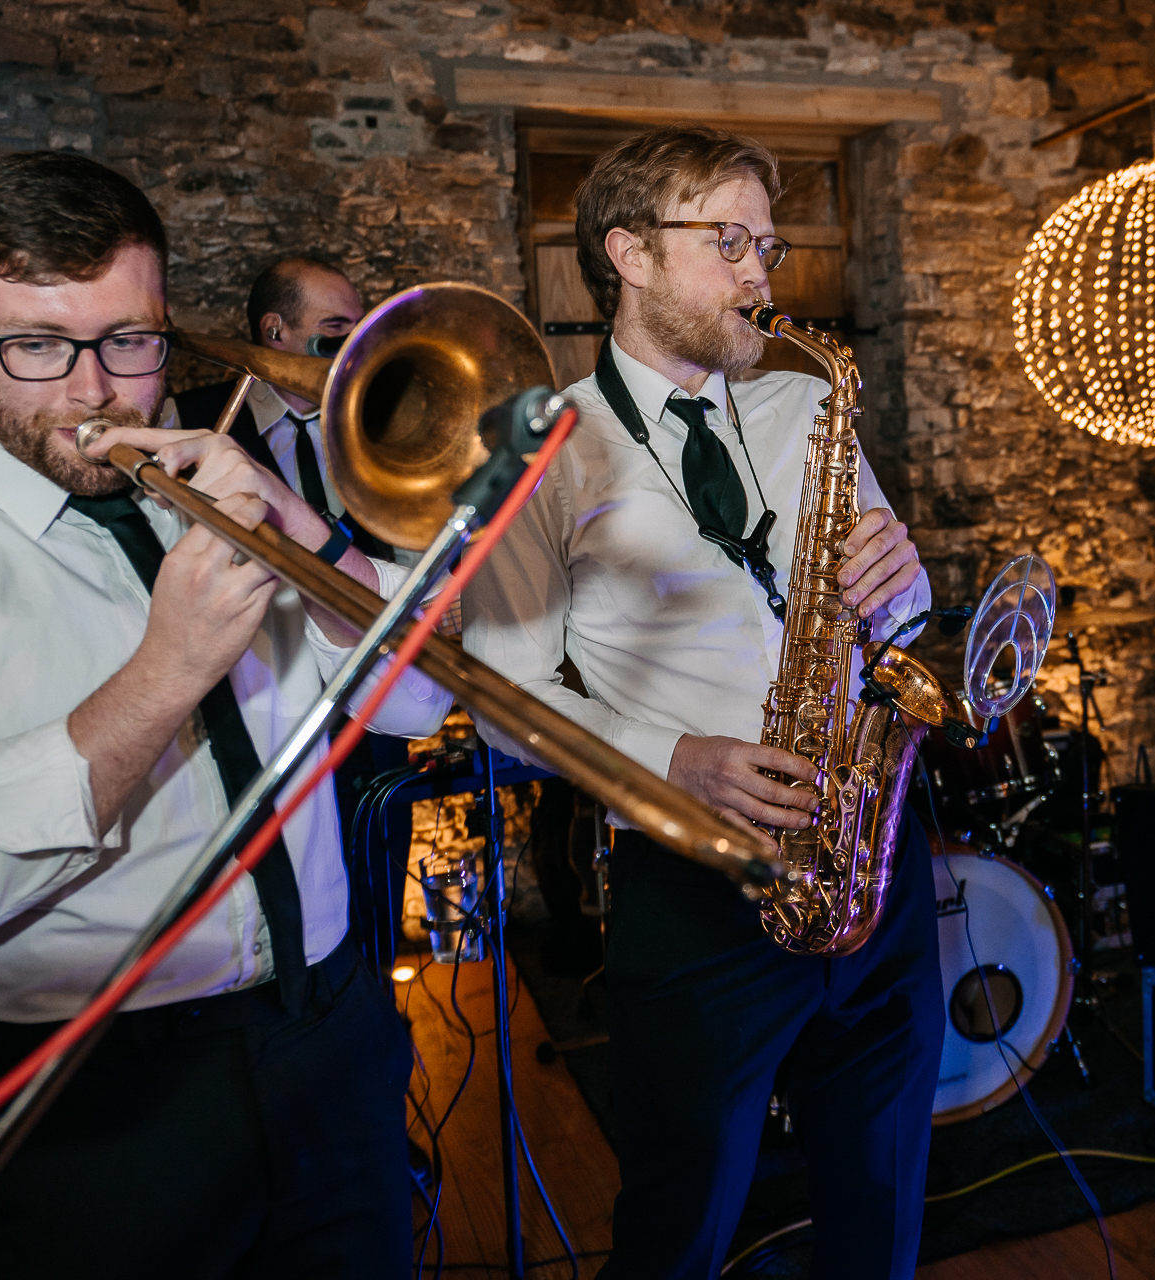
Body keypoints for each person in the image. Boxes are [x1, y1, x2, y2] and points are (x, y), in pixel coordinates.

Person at [0, 151, 449, 1280]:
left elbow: (427, 700)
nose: (96, 392)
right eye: (37, 345)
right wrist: (169, 667)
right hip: (98, 1095)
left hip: (329, 1037)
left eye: (130, 341)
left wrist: (307, 530)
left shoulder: (223, 489)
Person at [463, 126, 944, 1279]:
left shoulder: (803, 402)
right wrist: (669, 757)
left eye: (766, 245)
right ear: (627, 251)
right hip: (698, 891)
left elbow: (895, 615)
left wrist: (911, 586)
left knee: (881, 1201)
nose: (761, 275)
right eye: (728, 242)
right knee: (682, 1224)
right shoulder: (539, 452)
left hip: (873, 858)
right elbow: (498, 701)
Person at [173, 258, 391, 554]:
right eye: (336, 326)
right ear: (274, 331)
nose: (360, 344)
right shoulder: (185, 417)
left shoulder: (382, 419)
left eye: (360, 325)